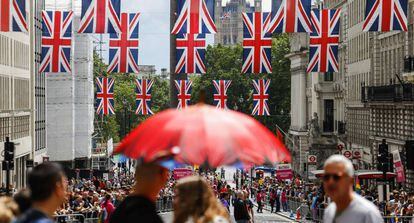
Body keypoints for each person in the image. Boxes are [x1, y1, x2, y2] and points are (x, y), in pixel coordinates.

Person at [322, 155, 383, 223]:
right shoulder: (329, 211)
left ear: (350, 180)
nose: (330, 182)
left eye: (336, 177)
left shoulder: (367, 213)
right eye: (326, 177)